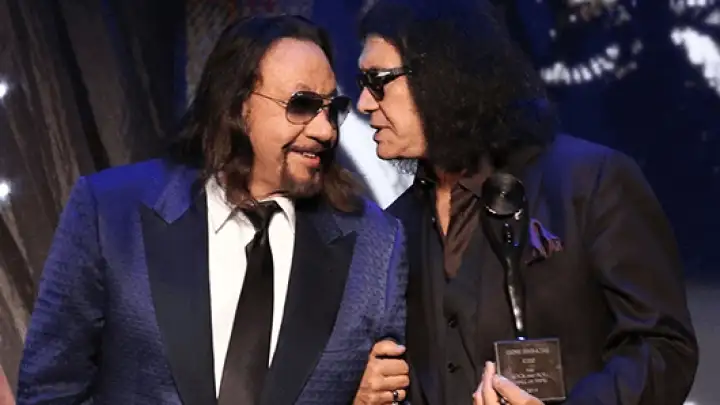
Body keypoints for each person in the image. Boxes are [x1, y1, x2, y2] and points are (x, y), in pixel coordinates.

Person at [17, 15, 409, 405]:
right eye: (302, 105)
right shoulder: (110, 212)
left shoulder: (375, 243)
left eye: (331, 109)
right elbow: (50, 391)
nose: (326, 131)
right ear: (236, 104)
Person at [356, 1, 699, 404]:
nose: (363, 103)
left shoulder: (589, 182)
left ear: (443, 75)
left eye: (377, 81)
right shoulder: (393, 226)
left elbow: (663, 347)